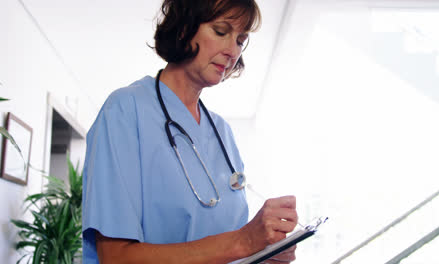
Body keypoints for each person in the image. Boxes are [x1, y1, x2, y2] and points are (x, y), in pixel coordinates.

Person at [82, 0, 299, 263]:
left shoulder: (222, 133)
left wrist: (263, 253)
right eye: (221, 32)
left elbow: (228, 250)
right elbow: (116, 257)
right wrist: (243, 242)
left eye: (240, 41)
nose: (233, 51)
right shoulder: (125, 111)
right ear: (184, 28)